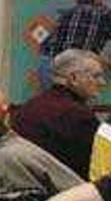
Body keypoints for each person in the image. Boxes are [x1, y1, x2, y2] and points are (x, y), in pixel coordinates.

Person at [11, 49, 103, 179]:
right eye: (96, 76)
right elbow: (95, 170)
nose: (102, 82)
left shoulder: (28, 107)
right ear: (74, 78)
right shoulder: (80, 117)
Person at [39, 0, 111, 87]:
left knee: (53, 99)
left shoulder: (67, 13)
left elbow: (49, 45)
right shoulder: (104, 14)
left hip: (50, 66)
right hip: (76, 70)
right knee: (75, 101)